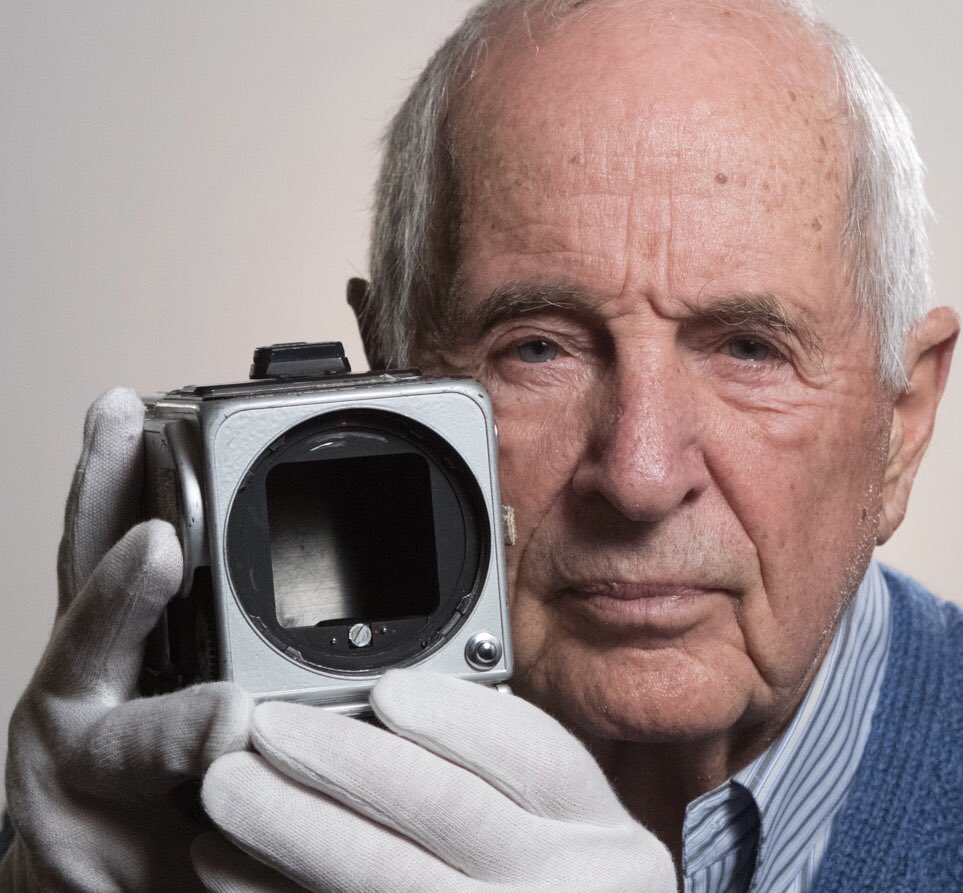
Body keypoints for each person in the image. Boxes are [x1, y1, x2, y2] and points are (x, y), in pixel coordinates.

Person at [2, 0, 960, 890]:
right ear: (381, 381)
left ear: (901, 428)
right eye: (536, 347)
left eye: (750, 349)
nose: (638, 474)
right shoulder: (213, 801)